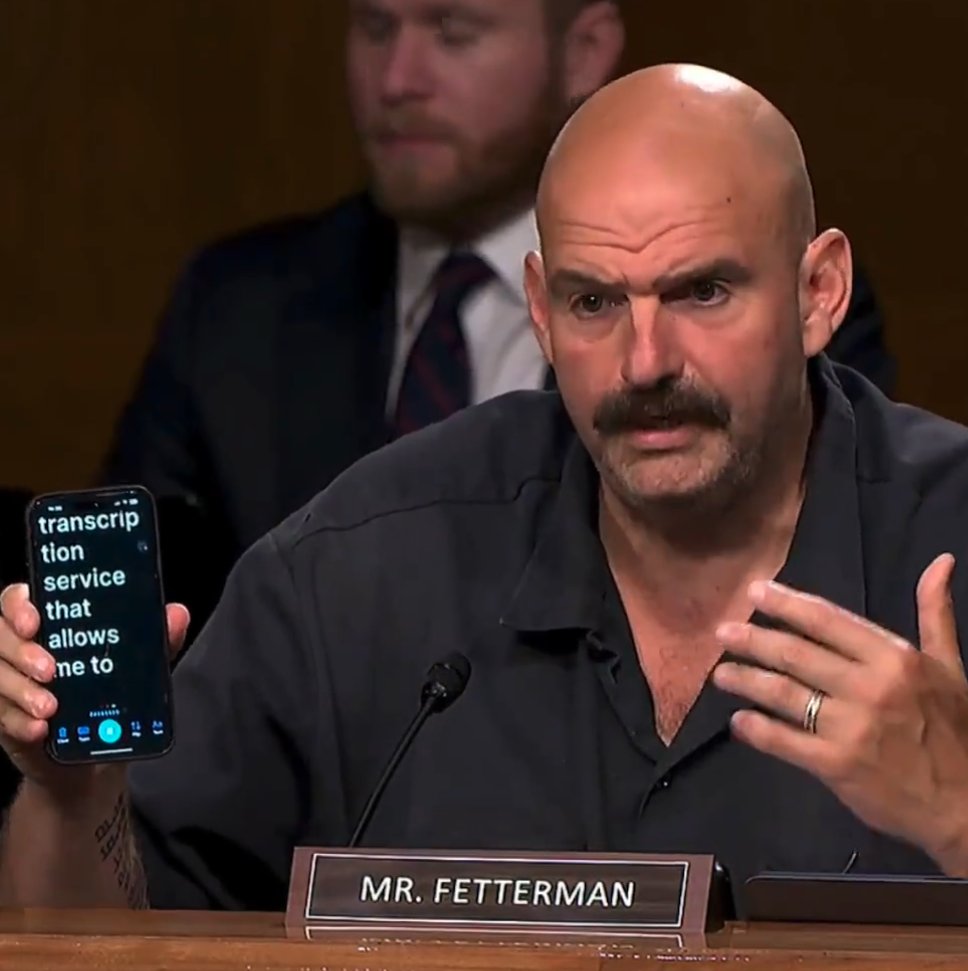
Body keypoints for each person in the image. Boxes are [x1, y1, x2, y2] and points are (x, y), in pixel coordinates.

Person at [0, 63, 950, 918]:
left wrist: (956, 810)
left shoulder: (944, 535)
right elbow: (94, 939)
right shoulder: (360, 569)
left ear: (818, 292)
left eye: (701, 293)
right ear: (539, 311)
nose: (646, 362)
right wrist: (70, 796)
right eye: (594, 302)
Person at [97, 0, 895, 631]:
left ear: (583, 50)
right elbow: (143, 612)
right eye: (376, 27)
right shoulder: (236, 306)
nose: (398, 78)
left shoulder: (778, 319)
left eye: (452, 29)